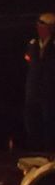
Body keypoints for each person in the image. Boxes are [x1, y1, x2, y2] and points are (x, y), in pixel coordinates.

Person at [24, 12, 55, 151]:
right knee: (32, 120)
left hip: (49, 90)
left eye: (43, 25)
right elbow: (29, 64)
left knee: (48, 120)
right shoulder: (33, 44)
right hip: (33, 89)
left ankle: (49, 149)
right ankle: (35, 148)